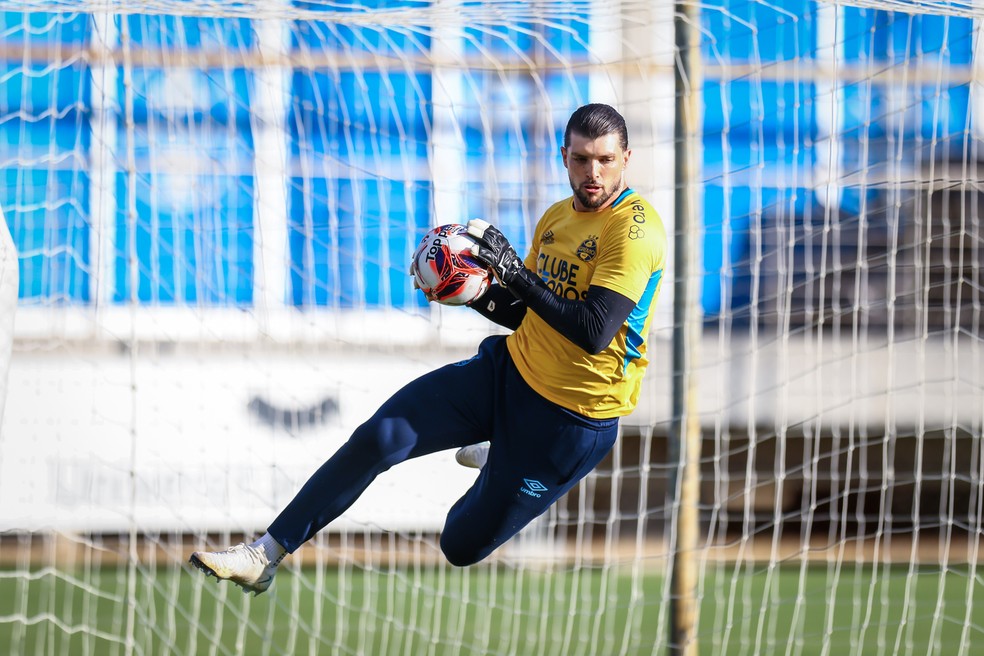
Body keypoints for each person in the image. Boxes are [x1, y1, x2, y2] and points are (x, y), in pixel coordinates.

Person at [189, 103, 667, 594]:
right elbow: (528, 313)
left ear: (626, 158)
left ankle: (502, 457)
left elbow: (592, 332)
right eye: (582, 159)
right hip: (511, 371)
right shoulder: (555, 218)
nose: (594, 173)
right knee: (379, 436)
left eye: (606, 160)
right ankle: (263, 552)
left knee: (458, 546)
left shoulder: (634, 231)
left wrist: (514, 272)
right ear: (563, 156)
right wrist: (475, 293)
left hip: (570, 421)